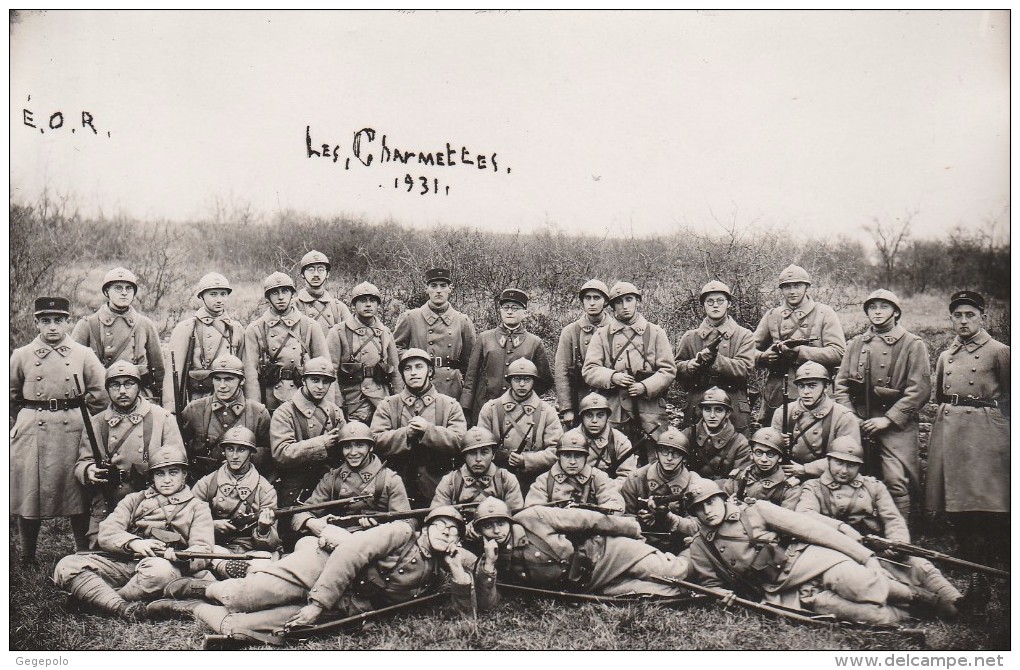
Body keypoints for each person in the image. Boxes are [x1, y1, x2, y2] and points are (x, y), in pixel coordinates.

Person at [150, 506, 496, 645]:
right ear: (428, 526)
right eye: (441, 526)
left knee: (241, 629)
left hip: (347, 604)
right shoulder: (400, 532)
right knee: (240, 597)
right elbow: (349, 552)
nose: (446, 535)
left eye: (454, 533)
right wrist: (317, 603)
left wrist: (459, 575)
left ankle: (188, 607)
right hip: (318, 570)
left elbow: (464, 620)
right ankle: (199, 587)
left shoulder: (442, 568)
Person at [682, 480, 950, 625]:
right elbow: (711, 582)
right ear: (694, 514)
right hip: (780, 589)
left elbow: (813, 530)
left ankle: (926, 599)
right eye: (699, 508)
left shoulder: (756, 510)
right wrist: (720, 595)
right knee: (857, 613)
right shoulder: (700, 547)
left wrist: (864, 555)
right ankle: (908, 616)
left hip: (811, 559)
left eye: (711, 502)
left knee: (857, 583)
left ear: (723, 498)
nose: (708, 511)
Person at [796, 437, 962, 616]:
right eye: (839, 463)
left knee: (921, 566)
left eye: (851, 465)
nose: (844, 470)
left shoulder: (873, 487)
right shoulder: (813, 487)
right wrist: (842, 527)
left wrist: (896, 543)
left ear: (859, 466)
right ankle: (925, 606)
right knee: (875, 582)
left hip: (876, 549)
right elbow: (805, 514)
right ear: (828, 461)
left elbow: (893, 519)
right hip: (838, 554)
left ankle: (958, 600)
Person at [53, 444, 215, 621]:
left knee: (160, 572)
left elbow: (203, 549)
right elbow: (107, 532)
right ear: (152, 476)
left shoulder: (198, 507)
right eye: (160, 473)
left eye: (173, 472)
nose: (167, 479)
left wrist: (181, 557)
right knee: (67, 564)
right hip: (123, 563)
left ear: (184, 474)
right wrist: (134, 543)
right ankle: (121, 607)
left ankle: (99, 600)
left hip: (163, 567)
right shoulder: (134, 500)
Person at [925, 290, 1010, 606]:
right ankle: (978, 583)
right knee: (959, 510)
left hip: (984, 436)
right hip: (951, 433)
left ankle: (987, 581)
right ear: (951, 318)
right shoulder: (946, 356)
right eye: (957, 315)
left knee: (984, 511)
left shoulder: (1001, 352)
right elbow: (939, 396)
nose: (963, 321)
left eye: (969, 315)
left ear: (982, 316)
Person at [11, 297, 107, 563]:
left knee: (78, 492)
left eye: (58, 321)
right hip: (33, 429)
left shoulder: (83, 354)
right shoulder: (21, 355)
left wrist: (80, 415)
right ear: (36, 323)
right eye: (45, 321)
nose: (52, 327)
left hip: (73, 429)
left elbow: (100, 393)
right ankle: (27, 555)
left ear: (68, 322)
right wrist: (27, 418)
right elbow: (11, 395)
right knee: (29, 494)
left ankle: (83, 551)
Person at [833, 289, 931, 521]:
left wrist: (888, 419)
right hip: (861, 421)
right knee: (857, 473)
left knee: (896, 479)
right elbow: (841, 384)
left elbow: (920, 390)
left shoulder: (912, 344)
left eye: (883, 307)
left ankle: (903, 534)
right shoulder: (856, 343)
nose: (877, 312)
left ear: (896, 312)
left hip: (897, 425)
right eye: (872, 307)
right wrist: (851, 417)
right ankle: (865, 525)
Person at [472, 497, 688, 597]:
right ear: (480, 532)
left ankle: (697, 551)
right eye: (489, 527)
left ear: (509, 521)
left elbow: (587, 520)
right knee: (665, 593)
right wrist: (490, 564)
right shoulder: (491, 559)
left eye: (500, 523)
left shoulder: (533, 517)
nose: (497, 531)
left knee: (675, 571)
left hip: (606, 553)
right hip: (589, 586)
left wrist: (629, 529)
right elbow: (489, 601)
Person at [74, 360, 186, 548]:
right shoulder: (96, 422)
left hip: (153, 500)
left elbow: (178, 461)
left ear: (139, 387)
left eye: (129, 384)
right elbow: (83, 461)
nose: (122, 391)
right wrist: (89, 470)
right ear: (108, 389)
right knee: (102, 549)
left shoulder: (162, 418)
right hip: (109, 501)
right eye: (115, 385)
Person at [582, 281, 676, 465]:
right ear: (612, 306)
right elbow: (589, 370)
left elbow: (668, 370)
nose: (624, 306)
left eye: (629, 300)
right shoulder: (602, 335)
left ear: (637, 301)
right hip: (615, 409)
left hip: (649, 410)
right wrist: (612, 377)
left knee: (655, 459)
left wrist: (645, 386)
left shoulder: (655, 332)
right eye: (619, 302)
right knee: (613, 459)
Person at [371, 348, 467, 506]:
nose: (413, 373)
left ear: (430, 371)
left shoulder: (449, 405)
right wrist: (405, 434)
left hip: (439, 488)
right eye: (407, 369)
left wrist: (428, 431)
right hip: (396, 490)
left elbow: (460, 441)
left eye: (419, 367)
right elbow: (375, 441)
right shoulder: (388, 405)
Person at [752, 264, 846, 426]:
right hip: (778, 393)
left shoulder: (824, 313)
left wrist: (799, 353)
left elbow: (838, 353)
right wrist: (763, 357)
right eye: (787, 287)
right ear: (781, 290)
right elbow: (746, 351)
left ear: (806, 287)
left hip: (815, 392)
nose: (792, 291)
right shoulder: (773, 316)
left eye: (797, 286)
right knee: (774, 440)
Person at [290, 421, 409, 537]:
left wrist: (379, 528)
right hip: (337, 539)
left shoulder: (390, 480)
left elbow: (405, 524)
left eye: (359, 445)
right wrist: (311, 522)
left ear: (371, 447)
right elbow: (302, 513)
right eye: (347, 447)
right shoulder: (332, 479)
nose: (353, 452)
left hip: (378, 544)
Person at [192, 426, 281, 580]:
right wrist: (212, 525)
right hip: (217, 546)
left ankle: (231, 572)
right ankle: (228, 569)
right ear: (223, 452)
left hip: (252, 550)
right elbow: (188, 517)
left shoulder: (265, 490)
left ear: (251, 453)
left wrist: (264, 529)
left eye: (241, 450)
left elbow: (272, 543)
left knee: (265, 560)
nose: (234, 456)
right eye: (230, 449)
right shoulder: (208, 483)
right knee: (205, 553)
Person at [461, 288, 553, 426]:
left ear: (525, 313)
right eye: (505, 307)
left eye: (515, 308)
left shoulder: (534, 342)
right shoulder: (485, 338)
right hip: (484, 408)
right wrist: (466, 408)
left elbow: (545, 380)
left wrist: (525, 396)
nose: (509, 311)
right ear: (500, 311)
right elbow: (471, 377)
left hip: (520, 412)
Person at [71, 267, 165, 401]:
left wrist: (165, 402)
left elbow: (159, 371)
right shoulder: (87, 325)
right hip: (101, 398)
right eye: (118, 288)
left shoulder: (145, 324)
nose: (124, 293)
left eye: (129, 288)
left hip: (139, 396)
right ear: (106, 292)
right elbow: (74, 368)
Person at [674, 280, 755, 434]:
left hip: (733, 403)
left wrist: (716, 361)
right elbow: (676, 369)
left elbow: (745, 369)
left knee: (737, 451)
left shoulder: (744, 335)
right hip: (698, 402)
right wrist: (691, 365)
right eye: (709, 301)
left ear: (729, 304)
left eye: (720, 301)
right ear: (703, 305)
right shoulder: (690, 337)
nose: (715, 305)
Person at [243, 272, 329, 413]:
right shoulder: (256, 328)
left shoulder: (310, 326)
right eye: (275, 292)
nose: (281, 297)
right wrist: (255, 409)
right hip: (269, 397)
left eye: (285, 291)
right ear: (267, 298)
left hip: (304, 396)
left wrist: (326, 407)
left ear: (292, 294)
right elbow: (250, 372)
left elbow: (325, 367)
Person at [269, 357, 347, 510]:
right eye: (315, 380)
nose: (320, 386)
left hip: (327, 486)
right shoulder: (285, 412)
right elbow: (281, 453)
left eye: (326, 382)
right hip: (295, 487)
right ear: (304, 380)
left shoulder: (334, 411)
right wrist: (321, 444)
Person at [477, 358, 562, 496]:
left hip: (533, 481)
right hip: (495, 478)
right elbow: (479, 446)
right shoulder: (491, 409)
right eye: (517, 379)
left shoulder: (547, 412)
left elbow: (556, 451)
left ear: (534, 381)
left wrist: (527, 460)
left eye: (527, 379)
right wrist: (500, 455)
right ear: (509, 381)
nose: (522, 384)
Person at [179, 354, 272, 480]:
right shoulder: (194, 410)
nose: (222, 385)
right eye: (217, 379)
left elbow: (269, 454)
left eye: (229, 379)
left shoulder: (258, 413)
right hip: (202, 482)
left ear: (242, 381)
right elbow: (180, 449)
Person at [162, 272, 245, 412]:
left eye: (223, 294)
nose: (219, 299)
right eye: (213, 294)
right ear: (202, 296)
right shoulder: (187, 327)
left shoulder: (236, 328)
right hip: (197, 400)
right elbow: (174, 373)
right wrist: (171, 409)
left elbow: (244, 370)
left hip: (230, 400)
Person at [393, 267, 477, 400]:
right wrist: (416, 360)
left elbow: (471, 363)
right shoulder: (410, 318)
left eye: (443, 286)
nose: (438, 290)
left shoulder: (462, 321)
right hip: (419, 384)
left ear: (450, 288)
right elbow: (395, 349)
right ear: (426, 289)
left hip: (452, 387)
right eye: (433, 286)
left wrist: (466, 395)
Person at [326, 281, 403, 423]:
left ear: (378, 305)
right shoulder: (338, 332)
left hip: (381, 400)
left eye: (373, 300)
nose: (368, 304)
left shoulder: (385, 332)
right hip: (351, 401)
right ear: (354, 305)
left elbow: (395, 372)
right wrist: (337, 405)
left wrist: (400, 404)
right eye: (362, 300)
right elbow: (331, 373)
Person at [620, 428, 707, 551]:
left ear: (684, 458)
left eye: (676, 453)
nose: (669, 458)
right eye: (664, 451)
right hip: (641, 544)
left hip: (681, 545)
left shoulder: (694, 483)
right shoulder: (637, 479)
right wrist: (639, 521)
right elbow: (623, 517)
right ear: (656, 454)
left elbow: (698, 526)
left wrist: (669, 518)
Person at [771, 361, 860, 481]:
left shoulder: (843, 417)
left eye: (812, 386)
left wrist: (806, 469)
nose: (806, 391)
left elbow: (847, 459)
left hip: (830, 478)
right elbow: (769, 453)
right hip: (789, 476)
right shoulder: (783, 412)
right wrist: (779, 445)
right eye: (801, 386)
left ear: (826, 387)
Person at [553, 280, 611, 428]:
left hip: (610, 401)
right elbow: (562, 372)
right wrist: (567, 408)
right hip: (579, 399)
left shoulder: (615, 329)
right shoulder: (571, 331)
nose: (591, 303)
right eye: (587, 298)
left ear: (605, 301)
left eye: (597, 298)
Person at [525, 433, 625, 512]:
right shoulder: (544, 480)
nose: (572, 462)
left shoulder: (598, 477)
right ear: (559, 457)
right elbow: (533, 513)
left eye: (578, 456)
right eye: (567, 456)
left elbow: (615, 505)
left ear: (586, 457)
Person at [431, 427, 524, 511]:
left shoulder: (506, 479)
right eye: (472, 453)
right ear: (464, 456)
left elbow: (516, 517)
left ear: (493, 455)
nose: (478, 459)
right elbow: (438, 517)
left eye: (484, 452)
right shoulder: (450, 481)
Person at [560, 392, 637, 485]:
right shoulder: (569, 438)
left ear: (607, 417)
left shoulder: (620, 441)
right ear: (582, 417)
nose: (594, 421)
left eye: (600, 415)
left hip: (609, 492)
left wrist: (605, 490)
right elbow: (559, 474)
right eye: (589, 415)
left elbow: (627, 478)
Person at [722, 427, 801, 510]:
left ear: (780, 457)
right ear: (751, 454)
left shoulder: (788, 488)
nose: (764, 459)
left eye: (770, 454)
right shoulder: (736, 480)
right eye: (759, 452)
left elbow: (785, 520)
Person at [681, 386, 751, 480]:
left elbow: (739, 481)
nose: (712, 415)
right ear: (701, 411)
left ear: (728, 413)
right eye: (707, 409)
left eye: (718, 410)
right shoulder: (686, 435)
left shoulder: (740, 444)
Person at [295, 250, 352, 334]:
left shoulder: (339, 308)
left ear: (327, 274)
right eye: (311, 269)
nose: (316, 274)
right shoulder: (293, 306)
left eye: (321, 269)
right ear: (302, 274)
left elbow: (350, 339)